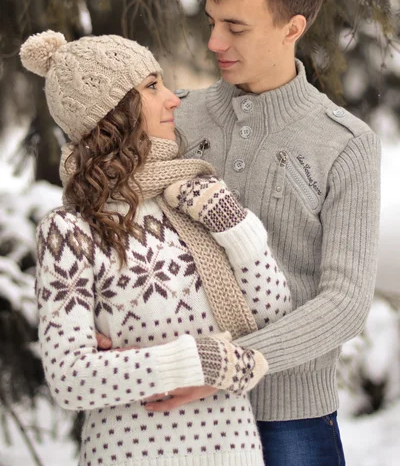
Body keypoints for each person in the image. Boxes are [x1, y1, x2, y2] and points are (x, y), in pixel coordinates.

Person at [133, 0, 380, 465]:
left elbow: (344, 302)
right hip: (174, 414)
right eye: (212, 22)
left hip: (289, 419)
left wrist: (231, 363)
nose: (214, 41)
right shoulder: (179, 118)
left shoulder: (347, 143)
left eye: (236, 27)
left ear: (293, 28)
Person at [20, 31, 292, 466]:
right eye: (151, 86)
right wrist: (196, 359)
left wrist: (236, 226)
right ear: (111, 112)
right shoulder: (71, 230)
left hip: (233, 452)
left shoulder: (195, 197)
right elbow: (70, 378)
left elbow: (274, 314)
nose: (172, 99)